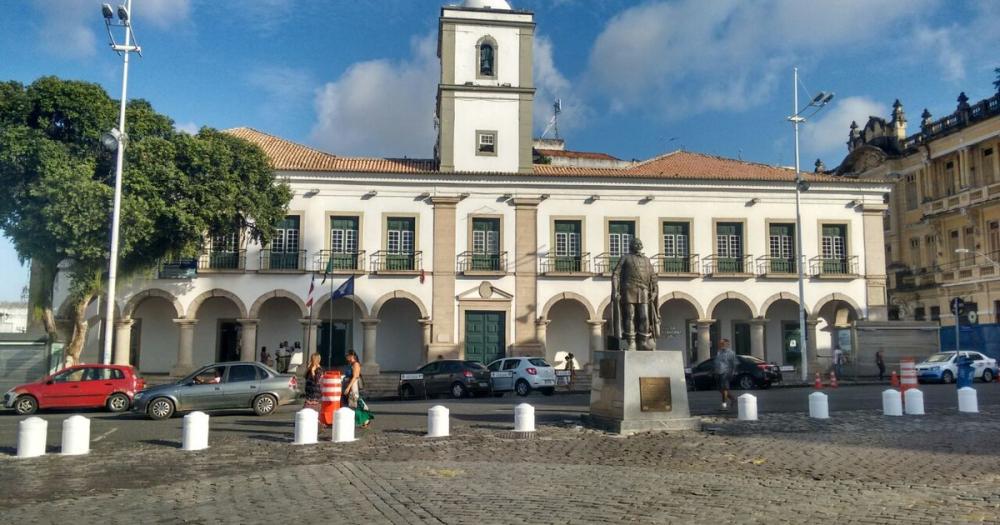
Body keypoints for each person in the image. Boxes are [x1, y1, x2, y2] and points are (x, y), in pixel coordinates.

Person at [344, 350, 373, 428]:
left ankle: (365, 419)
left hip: (353, 386)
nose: (346, 357)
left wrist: (348, 387)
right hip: (349, 384)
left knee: (355, 403)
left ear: (352, 356)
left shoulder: (356, 364)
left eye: (347, 355)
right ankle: (364, 420)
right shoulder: (350, 364)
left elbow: (355, 377)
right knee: (354, 403)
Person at [714, 339, 737, 410]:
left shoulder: (731, 353)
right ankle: (733, 399)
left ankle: (724, 406)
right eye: (720, 343)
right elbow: (717, 362)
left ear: (727, 344)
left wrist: (732, 373)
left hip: (726, 372)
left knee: (724, 389)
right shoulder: (719, 352)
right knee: (719, 389)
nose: (720, 345)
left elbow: (733, 364)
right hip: (718, 372)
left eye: (722, 343)